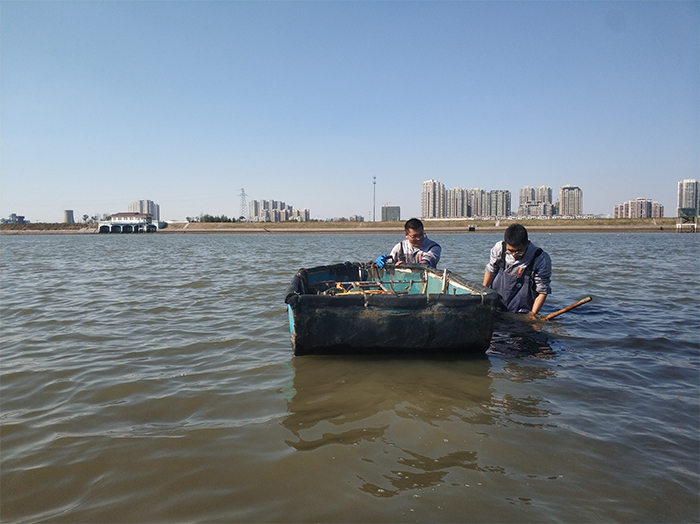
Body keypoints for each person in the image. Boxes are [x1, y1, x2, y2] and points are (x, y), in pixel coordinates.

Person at [483, 223, 551, 317]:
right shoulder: (499, 248)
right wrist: (483, 291)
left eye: (519, 251)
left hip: (522, 311)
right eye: (510, 251)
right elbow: (491, 270)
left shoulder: (541, 259)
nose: (514, 255)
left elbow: (543, 290)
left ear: (527, 243)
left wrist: (532, 314)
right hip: (496, 304)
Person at [376, 218, 441, 269]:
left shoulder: (433, 247)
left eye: (421, 234)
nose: (419, 238)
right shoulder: (400, 247)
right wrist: (383, 262)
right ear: (406, 235)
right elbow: (390, 263)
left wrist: (405, 266)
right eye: (415, 236)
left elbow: (425, 263)